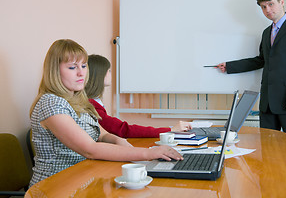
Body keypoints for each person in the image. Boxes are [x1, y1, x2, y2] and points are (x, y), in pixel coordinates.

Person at [29, 39, 183, 186]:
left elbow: (101, 134)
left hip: (82, 177)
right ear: (54, 71)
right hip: (56, 185)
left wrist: (118, 140)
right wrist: (149, 153)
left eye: (83, 66)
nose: (81, 73)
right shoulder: (50, 102)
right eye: (72, 67)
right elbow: (90, 149)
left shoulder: (78, 100)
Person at [216, 0, 286, 172]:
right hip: (268, 103)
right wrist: (230, 66)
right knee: (270, 151)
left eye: (271, 4)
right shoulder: (265, 32)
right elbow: (261, 60)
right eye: (263, 7)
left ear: (282, 2)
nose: (268, 10)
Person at [85, 54, 192, 138]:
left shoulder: (94, 101)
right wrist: (170, 130)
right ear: (99, 75)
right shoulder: (91, 105)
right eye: (108, 71)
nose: (111, 74)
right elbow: (123, 130)